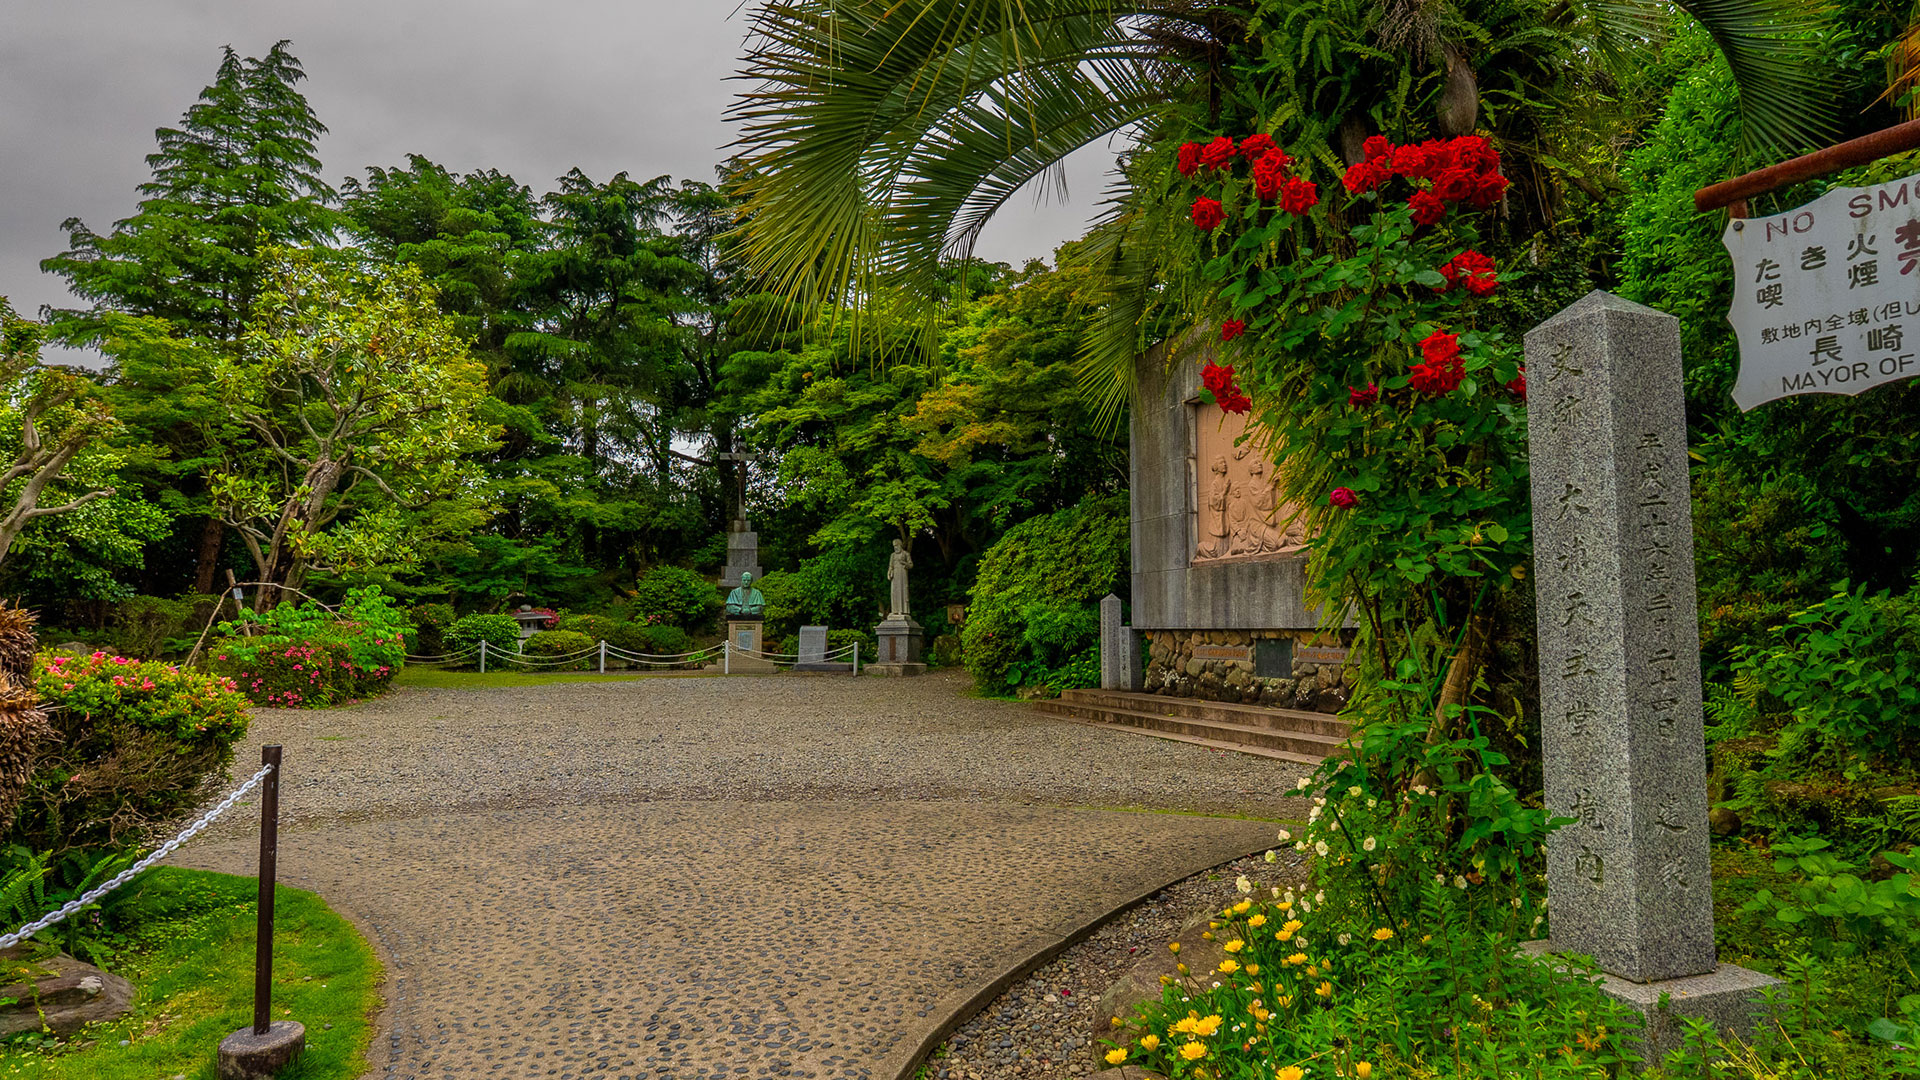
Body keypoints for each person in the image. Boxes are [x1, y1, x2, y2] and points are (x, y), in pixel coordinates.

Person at [887, 539, 913, 616]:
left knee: (902, 591)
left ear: (900, 545)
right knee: (894, 592)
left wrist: (904, 563)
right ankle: (895, 610)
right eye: (894, 546)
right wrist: (889, 573)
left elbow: (911, 565)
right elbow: (890, 566)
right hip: (895, 576)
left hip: (902, 575)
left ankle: (903, 610)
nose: (895, 547)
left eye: (896, 545)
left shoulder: (905, 554)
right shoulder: (892, 555)